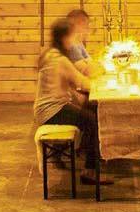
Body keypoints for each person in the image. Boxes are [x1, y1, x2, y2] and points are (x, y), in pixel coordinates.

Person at [34, 18, 104, 183]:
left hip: (44, 109)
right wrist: (101, 78)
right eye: (72, 37)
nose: (73, 42)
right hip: (52, 110)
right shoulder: (60, 60)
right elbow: (82, 82)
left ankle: (80, 154)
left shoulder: (49, 54)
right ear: (65, 38)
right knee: (92, 120)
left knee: (90, 112)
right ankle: (89, 172)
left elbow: (72, 82)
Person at [64, 8, 96, 76]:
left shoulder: (78, 42)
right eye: (86, 25)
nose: (87, 29)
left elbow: (90, 61)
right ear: (78, 25)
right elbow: (86, 70)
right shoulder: (70, 44)